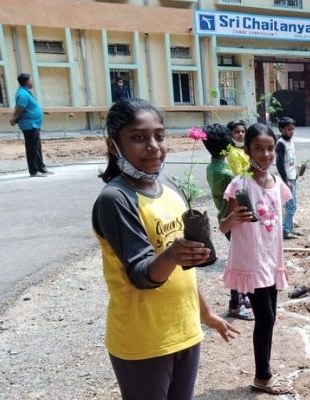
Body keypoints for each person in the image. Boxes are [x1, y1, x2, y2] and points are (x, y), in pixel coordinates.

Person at [92, 98, 238, 400]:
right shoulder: (115, 199)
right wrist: (171, 254)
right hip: (144, 340)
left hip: (185, 331)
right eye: (138, 137)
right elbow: (141, 274)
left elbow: (185, 272)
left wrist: (206, 313)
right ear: (113, 146)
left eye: (159, 136)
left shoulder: (170, 192)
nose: (153, 147)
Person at [219, 123, 294, 395]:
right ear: (247, 150)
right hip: (252, 262)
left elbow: (272, 221)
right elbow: (223, 227)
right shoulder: (240, 185)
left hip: (272, 260)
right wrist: (233, 217)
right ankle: (262, 376)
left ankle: (264, 372)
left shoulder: (277, 184)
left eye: (270, 148)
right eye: (258, 148)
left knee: (270, 318)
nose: (266, 154)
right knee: (265, 318)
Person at [202, 123, 254, 321]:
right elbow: (240, 196)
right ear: (227, 145)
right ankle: (235, 305)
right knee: (239, 263)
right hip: (232, 220)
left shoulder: (212, 167)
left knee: (242, 260)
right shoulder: (224, 173)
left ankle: (244, 296)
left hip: (226, 217)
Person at [10, 73, 50, 177]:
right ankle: (33, 171)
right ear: (27, 82)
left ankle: (41, 168)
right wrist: (14, 119)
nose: (32, 82)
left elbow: (28, 106)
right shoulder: (23, 94)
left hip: (34, 124)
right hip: (29, 125)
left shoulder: (26, 92)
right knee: (32, 148)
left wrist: (40, 111)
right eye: (31, 80)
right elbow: (20, 108)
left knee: (37, 147)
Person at [275, 117, 300, 240]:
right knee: (291, 206)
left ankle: (290, 228)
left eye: (293, 129)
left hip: (293, 176)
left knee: (294, 204)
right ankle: (285, 230)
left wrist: (297, 168)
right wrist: (285, 180)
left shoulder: (291, 142)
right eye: (289, 129)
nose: (292, 131)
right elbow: (279, 164)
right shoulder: (281, 144)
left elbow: (290, 160)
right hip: (287, 179)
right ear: (282, 129)